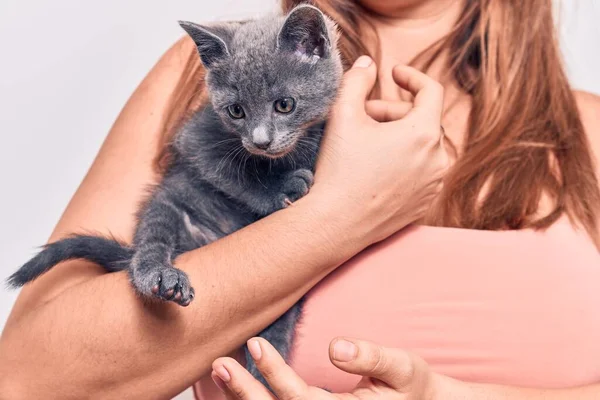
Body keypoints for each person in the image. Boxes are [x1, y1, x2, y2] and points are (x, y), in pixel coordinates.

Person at [0, 0, 599, 399]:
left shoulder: (587, 130)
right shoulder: (217, 68)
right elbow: (26, 378)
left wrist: (442, 394)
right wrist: (338, 216)